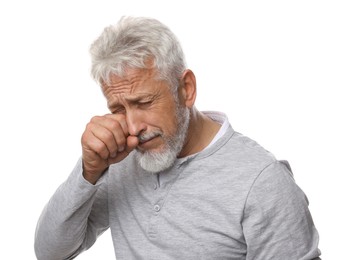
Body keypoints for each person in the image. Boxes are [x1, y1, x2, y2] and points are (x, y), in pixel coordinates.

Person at [34, 16, 321, 260]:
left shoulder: (263, 182)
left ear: (186, 88)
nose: (133, 127)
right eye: (118, 109)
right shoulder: (123, 158)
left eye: (144, 102)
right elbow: (51, 252)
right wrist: (89, 171)